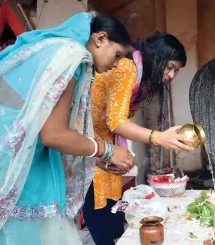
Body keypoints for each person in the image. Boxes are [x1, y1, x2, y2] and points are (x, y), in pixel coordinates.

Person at [0, 13, 134, 245]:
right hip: (16, 160)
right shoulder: (71, 57)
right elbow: (53, 135)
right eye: (117, 55)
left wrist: (95, 157)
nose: (114, 65)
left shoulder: (56, 47)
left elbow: (47, 126)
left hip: (19, 151)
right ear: (101, 39)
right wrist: (106, 150)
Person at [83, 32, 194, 245]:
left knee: (112, 198)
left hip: (107, 141)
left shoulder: (139, 73)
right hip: (90, 138)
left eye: (175, 71)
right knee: (96, 197)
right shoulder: (127, 67)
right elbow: (116, 122)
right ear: (157, 57)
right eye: (169, 67)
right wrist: (159, 137)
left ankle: (116, 238)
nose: (171, 75)